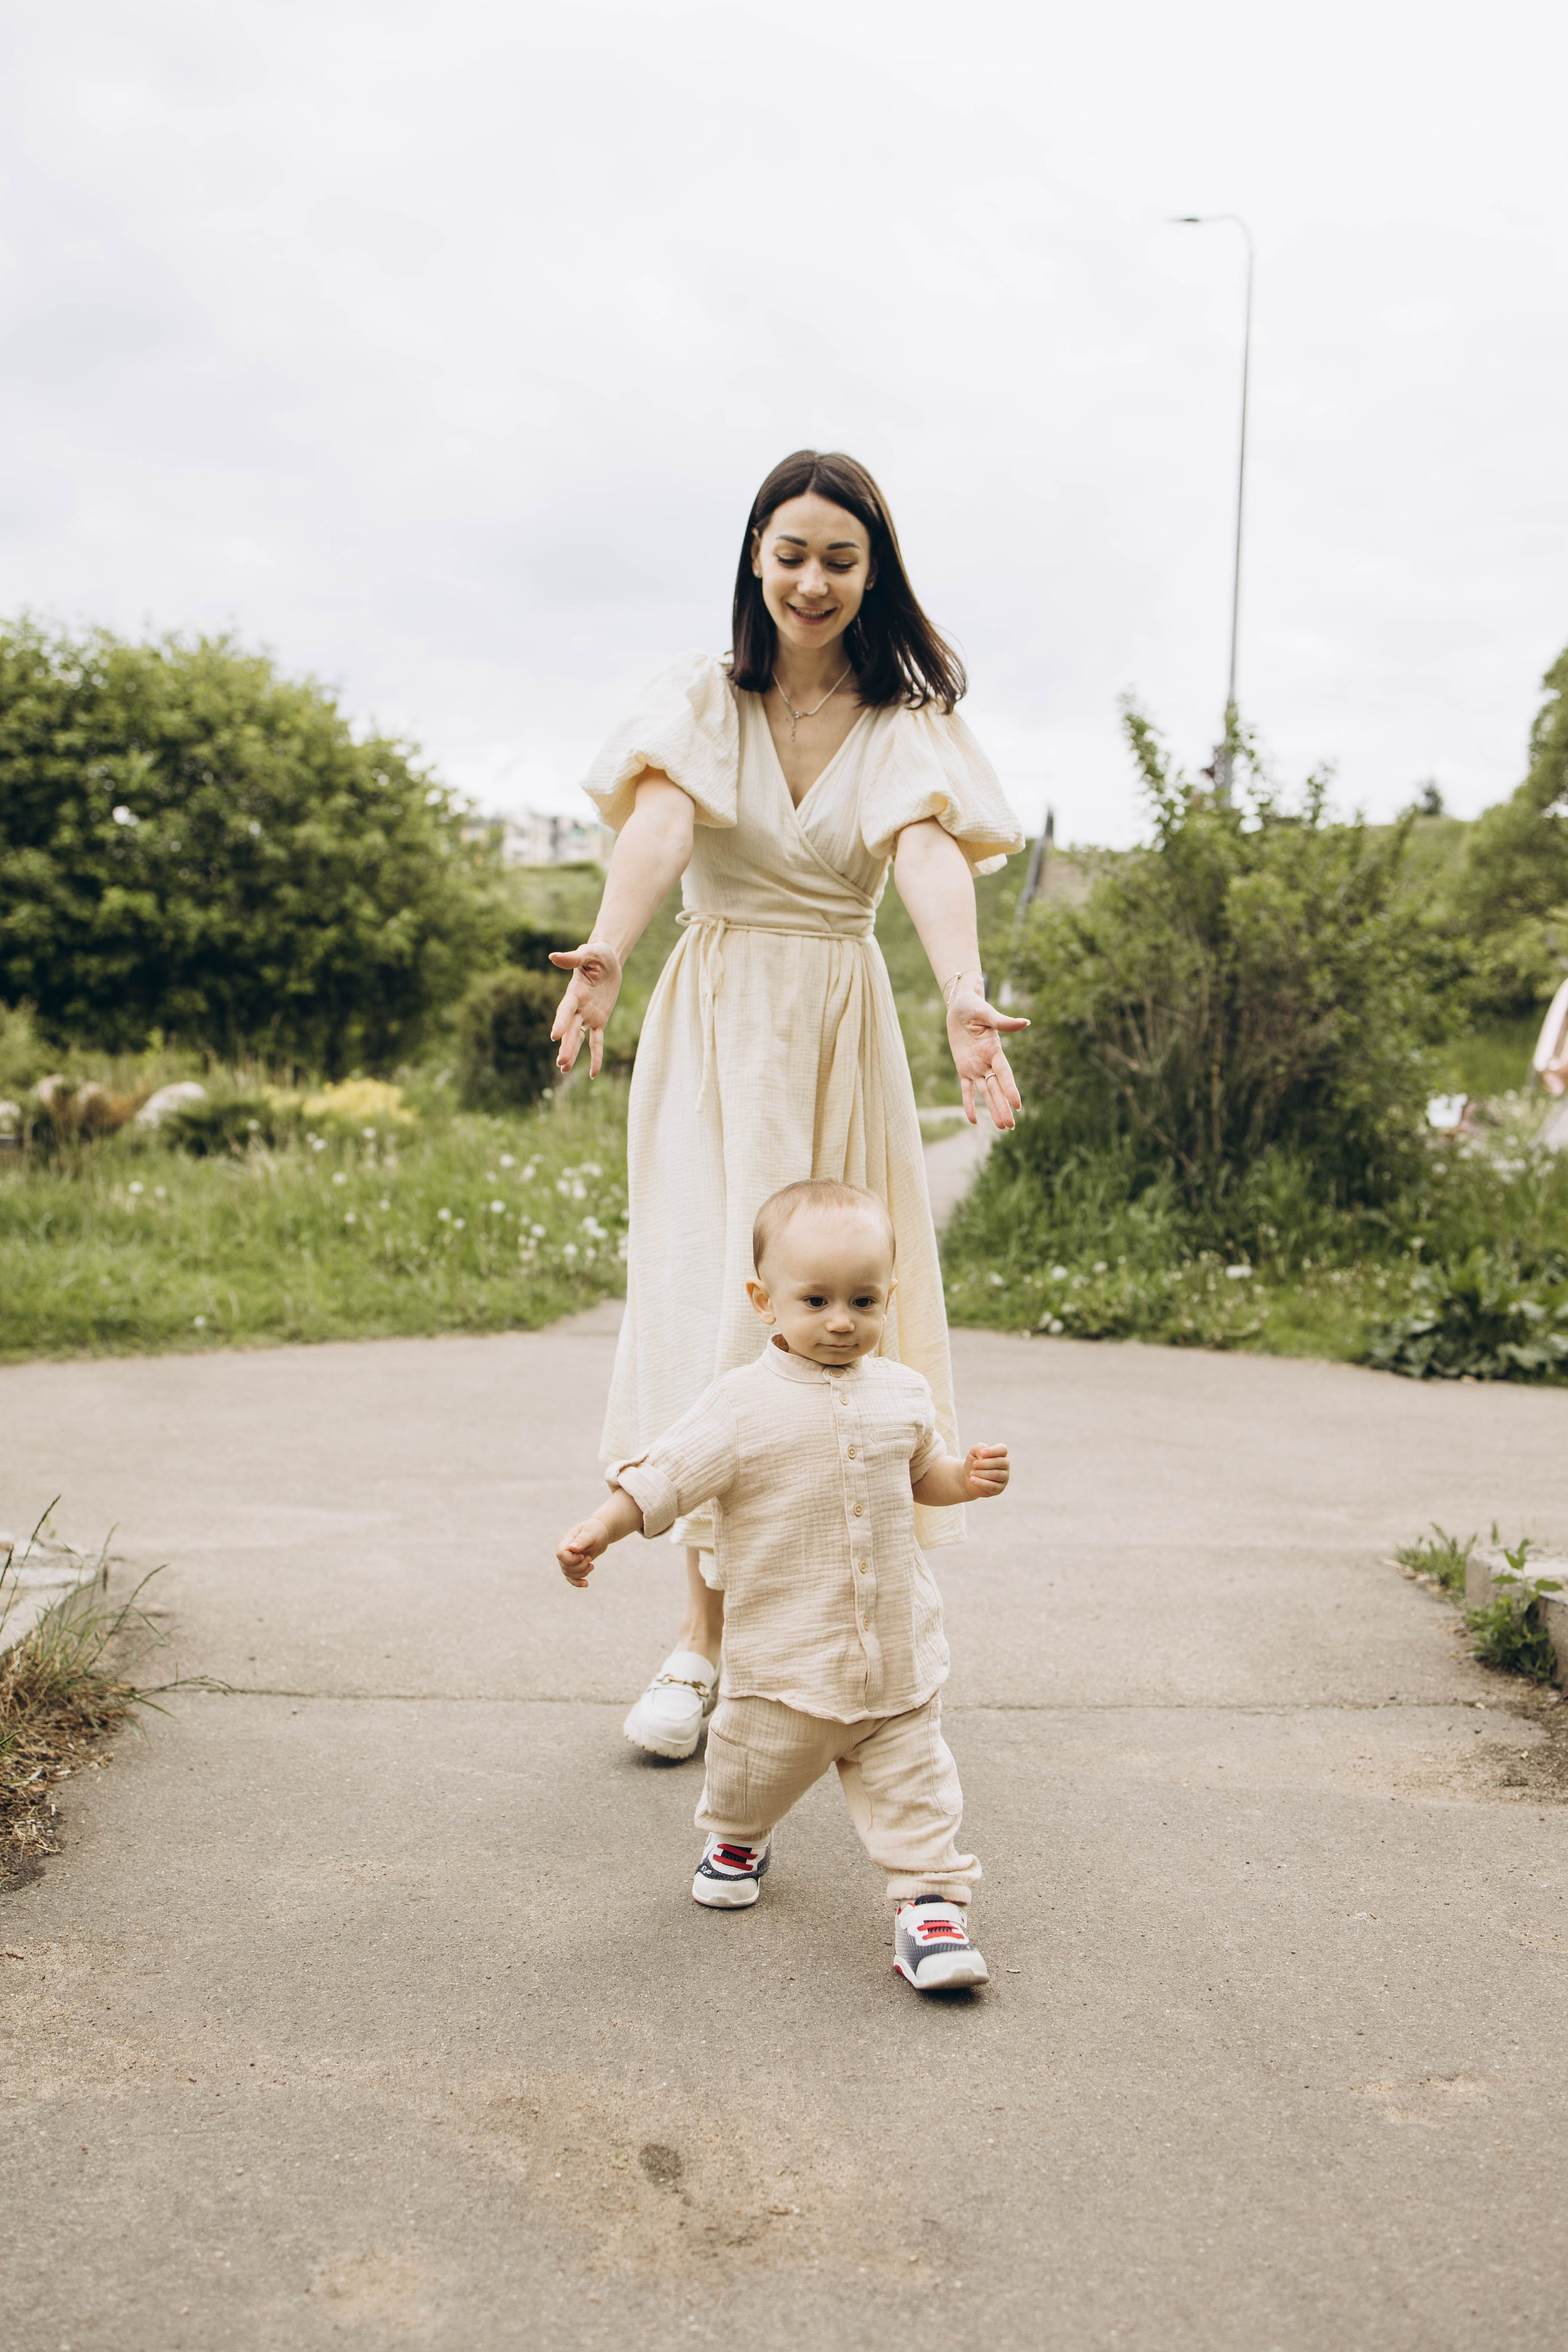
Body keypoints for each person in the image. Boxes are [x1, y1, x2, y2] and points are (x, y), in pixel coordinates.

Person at [550, 448, 1025, 1761]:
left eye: (840, 557)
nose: (811, 580)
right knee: (723, 1314)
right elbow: (654, 829)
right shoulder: (700, 697)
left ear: (871, 573)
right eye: (790, 552)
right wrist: (608, 948)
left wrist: (963, 995)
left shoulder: (901, 718)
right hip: (713, 1032)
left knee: (842, 1319)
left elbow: (924, 851)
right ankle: (700, 1650)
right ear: (754, 558)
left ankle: (840, 1637)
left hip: (837, 1021)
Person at [556, 1180, 1010, 1991]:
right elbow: (665, 1477)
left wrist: (963, 1480)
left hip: (897, 1661)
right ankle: (738, 1838)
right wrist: (601, 1526)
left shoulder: (903, 1393)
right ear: (765, 1301)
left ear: (889, 1298)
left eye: (863, 1300)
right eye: (817, 1300)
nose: (841, 1320)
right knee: (749, 1771)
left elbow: (921, 1478)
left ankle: (930, 1907)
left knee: (918, 1785)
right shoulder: (740, 1404)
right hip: (783, 1662)